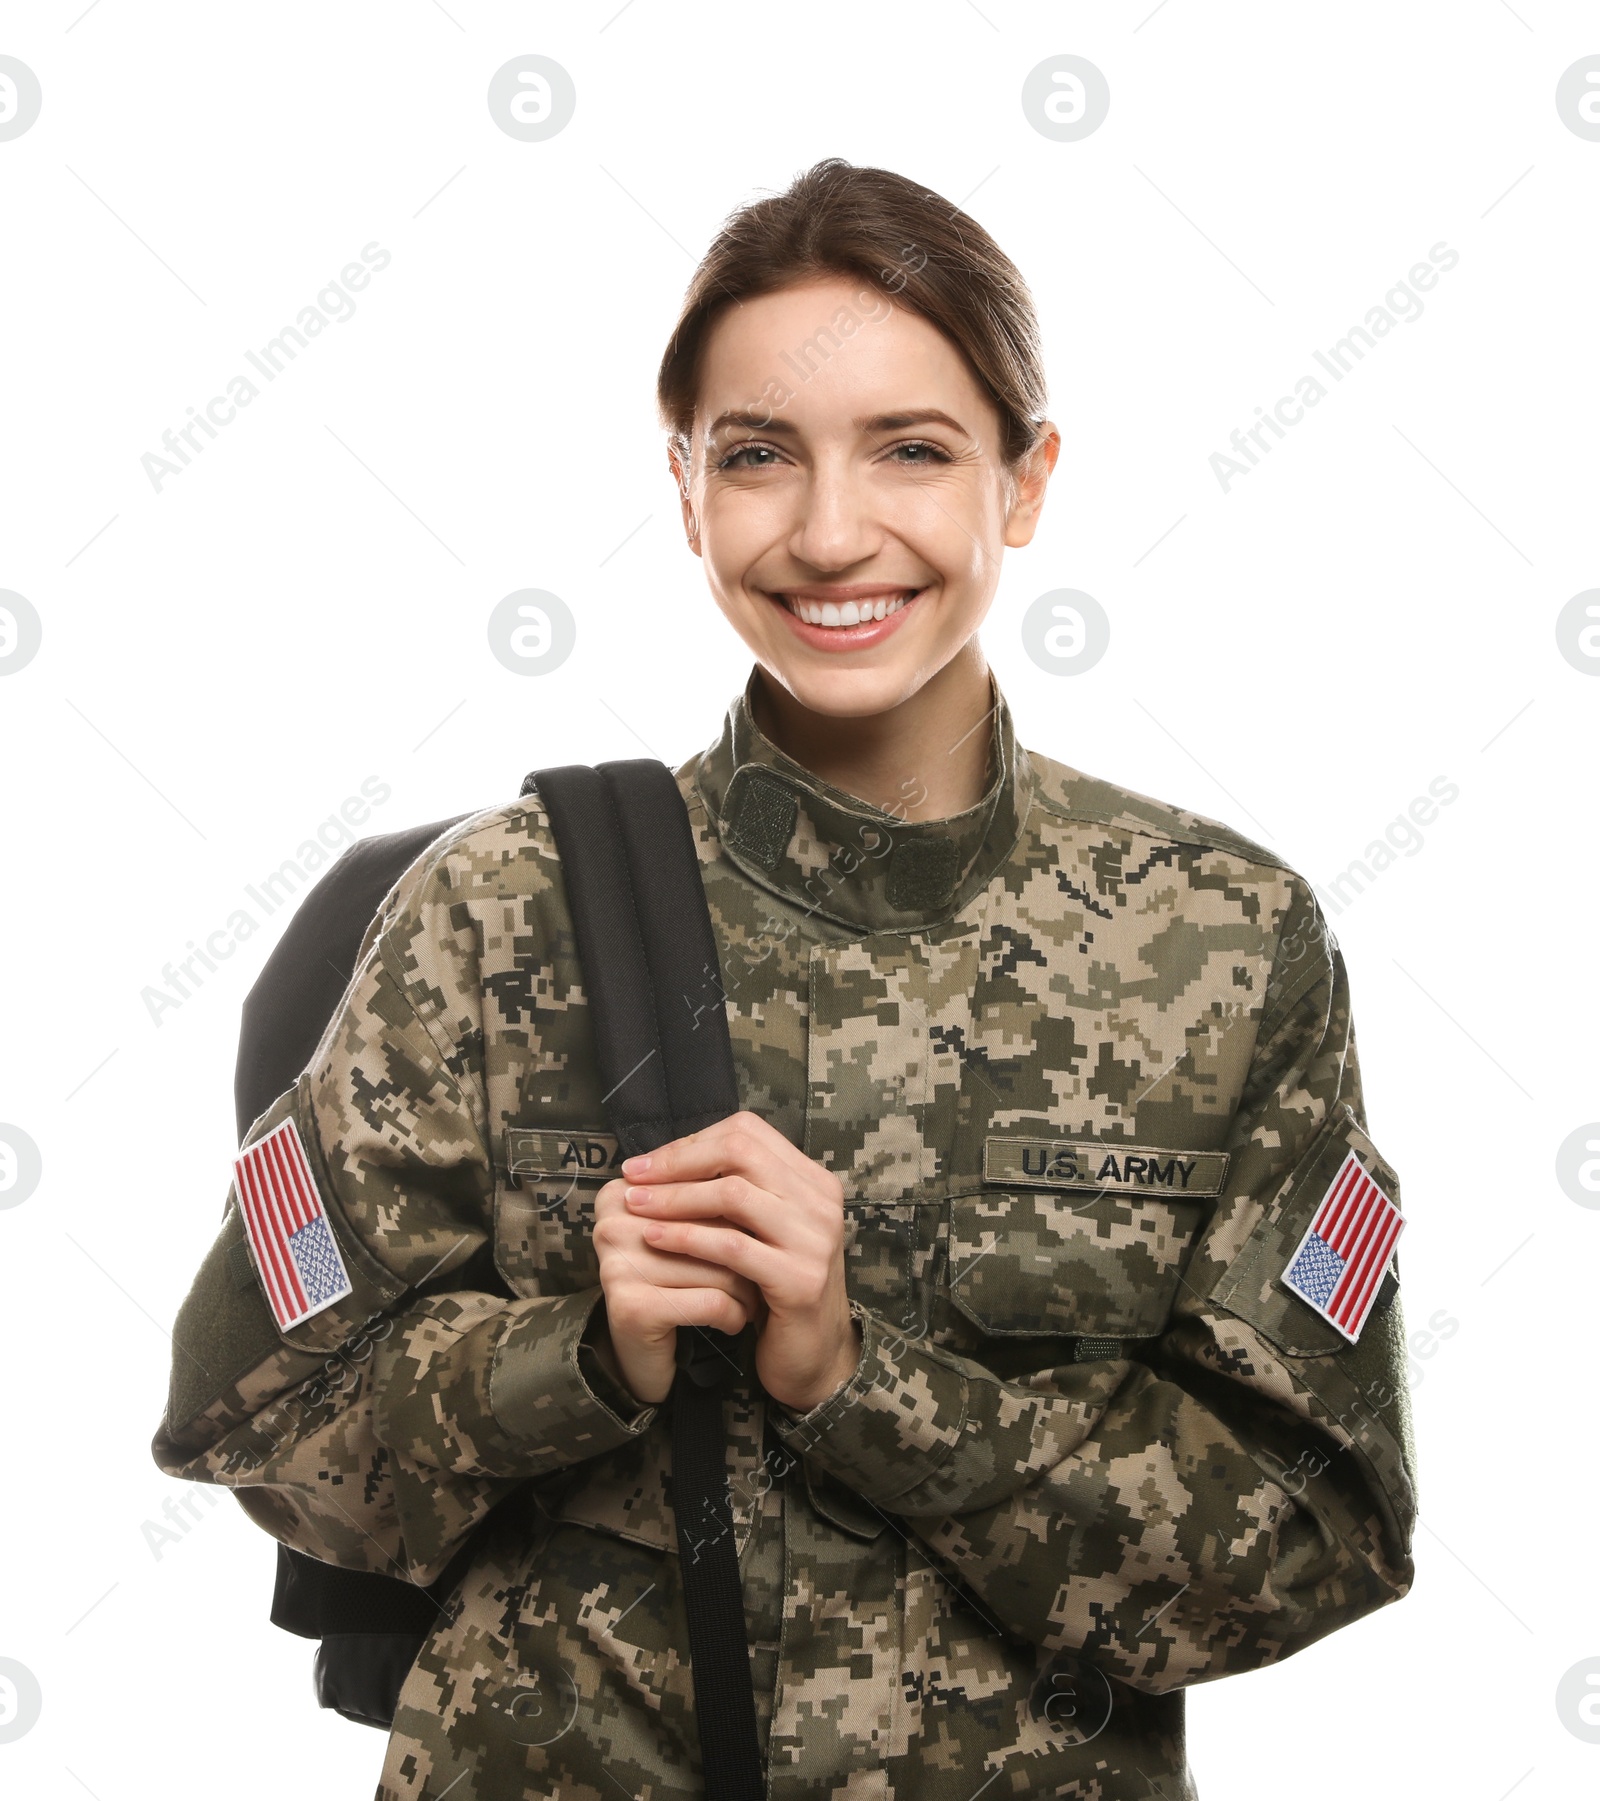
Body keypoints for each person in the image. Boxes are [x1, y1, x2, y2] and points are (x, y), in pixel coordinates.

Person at [153, 157, 1416, 1799]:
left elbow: (1317, 1527)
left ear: (1025, 484)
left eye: (912, 448)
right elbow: (251, 1419)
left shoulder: (1232, 942)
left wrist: (857, 1378)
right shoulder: (493, 912)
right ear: (683, 490)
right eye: (758, 457)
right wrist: (582, 1357)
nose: (831, 533)